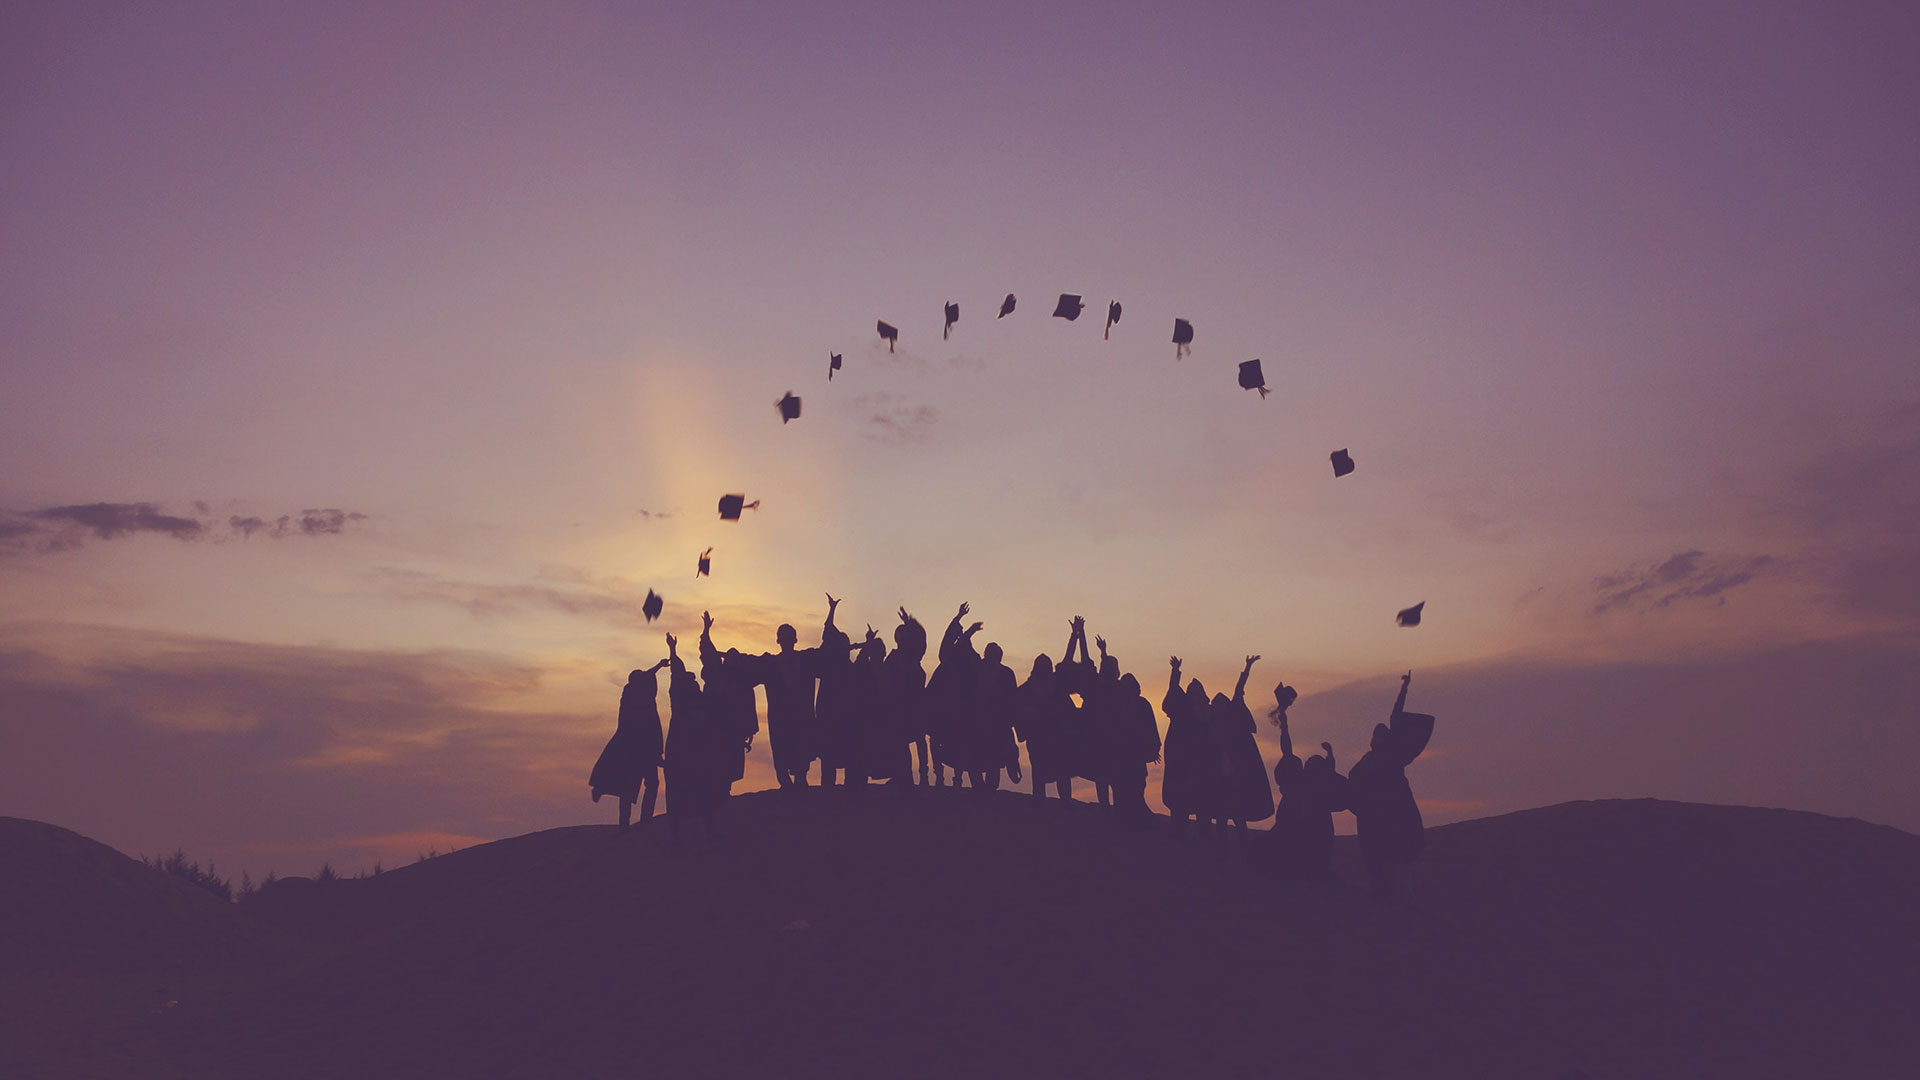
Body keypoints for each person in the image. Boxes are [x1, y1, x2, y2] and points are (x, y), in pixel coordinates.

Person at [1347, 671, 1436, 899]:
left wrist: (1404, 689)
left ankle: (1400, 892)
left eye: (1381, 734)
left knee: (1398, 853)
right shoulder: (1369, 759)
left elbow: (1395, 716)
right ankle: (1384, 891)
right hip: (1374, 816)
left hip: (1395, 811)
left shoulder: (1393, 755)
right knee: (1378, 856)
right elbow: (1354, 780)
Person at [746, 607, 826, 789]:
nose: (786, 641)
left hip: (799, 718)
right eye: (784, 637)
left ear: (794, 640)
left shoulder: (805, 660)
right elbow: (746, 664)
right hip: (781, 720)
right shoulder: (771, 664)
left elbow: (828, 652)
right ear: (778, 640)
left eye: (788, 637)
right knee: (783, 753)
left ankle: (798, 781)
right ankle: (787, 782)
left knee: (800, 751)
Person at [589, 659, 669, 831]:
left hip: (643, 750)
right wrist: (658, 666)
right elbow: (647, 676)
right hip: (636, 750)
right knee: (632, 786)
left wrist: (658, 666)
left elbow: (647, 675)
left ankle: (638, 820)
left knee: (644, 785)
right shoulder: (633, 696)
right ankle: (633, 822)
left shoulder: (638, 698)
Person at [663, 634, 722, 844]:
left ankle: (695, 831)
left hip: (689, 754)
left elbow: (676, 672)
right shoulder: (690, 701)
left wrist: (673, 650)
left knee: (697, 792)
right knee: (692, 792)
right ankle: (689, 832)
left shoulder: (690, 702)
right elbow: (676, 672)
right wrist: (672, 651)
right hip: (685, 754)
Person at [1214, 655, 1276, 849]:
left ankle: (1242, 846)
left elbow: (1238, 690)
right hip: (1221, 772)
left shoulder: (1233, 715)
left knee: (1237, 814)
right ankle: (1224, 846)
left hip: (1237, 771)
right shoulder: (1214, 724)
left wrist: (1247, 667)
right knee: (1223, 814)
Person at [697, 612, 758, 795]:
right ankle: (719, 793)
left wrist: (748, 732)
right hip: (718, 728)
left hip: (731, 731)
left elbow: (747, 708)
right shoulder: (721, 676)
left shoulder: (740, 683)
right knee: (719, 764)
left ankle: (723, 793)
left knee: (728, 765)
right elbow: (706, 650)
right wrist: (706, 630)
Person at [926, 602, 983, 787]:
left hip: (961, 708)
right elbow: (949, 643)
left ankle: (957, 778)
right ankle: (940, 776)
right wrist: (960, 619)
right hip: (942, 707)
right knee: (935, 739)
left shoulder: (971, 662)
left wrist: (968, 631)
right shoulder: (948, 660)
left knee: (960, 741)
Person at [1160, 657, 1213, 838]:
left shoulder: (1206, 714)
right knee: (1179, 801)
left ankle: (1202, 833)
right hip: (1180, 762)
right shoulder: (1181, 709)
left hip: (1199, 764)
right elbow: (1173, 693)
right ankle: (1179, 831)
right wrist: (1175, 672)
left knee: (1201, 802)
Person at [814, 595, 860, 789]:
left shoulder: (847, 669)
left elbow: (828, 632)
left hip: (844, 719)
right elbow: (828, 631)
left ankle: (842, 790)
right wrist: (832, 610)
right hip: (829, 719)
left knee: (845, 756)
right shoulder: (830, 665)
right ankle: (832, 790)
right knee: (830, 757)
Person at [1015, 654, 1072, 801]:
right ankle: (1039, 800)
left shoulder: (1057, 685)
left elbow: (1066, 662)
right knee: (1039, 770)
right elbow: (1017, 710)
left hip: (1057, 737)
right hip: (1037, 737)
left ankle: (1065, 801)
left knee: (1062, 771)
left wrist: (1075, 636)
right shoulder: (1026, 690)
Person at [1109, 671, 1162, 829]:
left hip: (1134, 755)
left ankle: (1134, 821)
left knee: (1136, 788)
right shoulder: (1117, 705)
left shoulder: (1141, 704)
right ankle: (1125, 821)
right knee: (1121, 789)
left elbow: (1151, 728)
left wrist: (1153, 748)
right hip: (1121, 755)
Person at [887, 608, 929, 789]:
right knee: (902, 743)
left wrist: (909, 621)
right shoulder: (895, 658)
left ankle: (924, 776)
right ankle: (904, 777)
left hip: (913, 705)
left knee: (918, 739)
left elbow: (921, 636)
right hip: (899, 707)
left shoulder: (914, 656)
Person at [973, 642, 1022, 792]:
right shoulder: (976, 669)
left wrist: (1011, 721)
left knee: (993, 761)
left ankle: (988, 790)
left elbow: (1013, 699)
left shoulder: (1006, 673)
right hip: (979, 722)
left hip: (998, 725)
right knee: (978, 758)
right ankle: (981, 788)